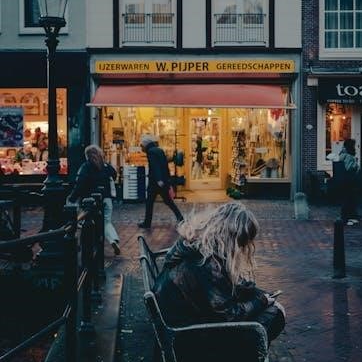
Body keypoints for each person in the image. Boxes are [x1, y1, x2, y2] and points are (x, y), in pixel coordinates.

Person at [153, 201, 285, 343]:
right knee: (274, 315)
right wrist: (261, 301)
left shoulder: (196, 247)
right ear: (233, 240)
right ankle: (244, 354)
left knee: (265, 308)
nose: (244, 248)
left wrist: (253, 293)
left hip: (180, 321)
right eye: (243, 243)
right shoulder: (205, 264)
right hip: (186, 336)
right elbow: (229, 315)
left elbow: (218, 291)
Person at [68, 144, 121, 255]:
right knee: (106, 221)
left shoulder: (86, 167)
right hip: (106, 198)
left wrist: (72, 198)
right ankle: (113, 240)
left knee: (86, 222)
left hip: (90, 200)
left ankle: (85, 246)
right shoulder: (105, 165)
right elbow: (114, 175)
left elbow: (80, 184)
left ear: (87, 155)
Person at [138, 134, 184, 229]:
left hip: (155, 182)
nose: (141, 147)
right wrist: (166, 179)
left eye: (142, 145)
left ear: (145, 145)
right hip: (162, 180)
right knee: (168, 201)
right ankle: (180, 217)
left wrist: (159, 179)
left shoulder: (150, 152)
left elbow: (155, 166)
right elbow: (164, 165)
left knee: (150, 202)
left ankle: (147, 223)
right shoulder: (159, 150)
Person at [337, 138, 361, 226]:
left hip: (346, 180)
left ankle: (350, 216)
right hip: (349, 180)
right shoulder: (348, 156)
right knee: (349, 198)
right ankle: (346, 218)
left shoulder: (343, 154)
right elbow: (349, 167)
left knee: (349, 198)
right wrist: (356, 164)